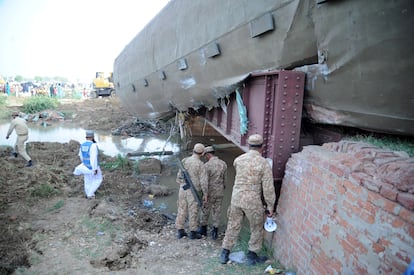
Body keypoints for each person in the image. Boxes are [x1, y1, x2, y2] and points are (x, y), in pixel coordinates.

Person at [220, 134, 276, 265]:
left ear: (249, 145)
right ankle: (252, 256)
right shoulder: (264, 163)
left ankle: (224, 253)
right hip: (252, 200)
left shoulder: (238, 160)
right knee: (256, 227)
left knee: (233, 225)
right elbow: (268, 187)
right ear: (262, 147)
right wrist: (270, 206)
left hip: (236, 198)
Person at [175, 143, 208, 240]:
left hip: (183, 188)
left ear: (193, 150)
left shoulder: (185, 160)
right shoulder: (201, 165)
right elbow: (203, 181)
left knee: (181, 209)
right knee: (193, 210)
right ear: (202, 153)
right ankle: (193, 232)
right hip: (193, 192)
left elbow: (179, 177)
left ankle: (180, 231)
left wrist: (181, 184)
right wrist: (205, 194)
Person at [198, 145, 227, 240]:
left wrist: (205, 194)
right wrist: (222, 189)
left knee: (205, 210)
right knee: (217, 211)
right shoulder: (223, 163)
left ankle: (203, 230)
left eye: (205, 155)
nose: (205, 157)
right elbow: (225, 180)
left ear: (208, 155)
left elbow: (204, 182)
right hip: (220, 192)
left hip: (210, 192)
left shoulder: (206, 166)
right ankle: (215, 232)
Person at [73, 130, 103, 199]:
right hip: (92, 166)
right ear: (92, 137)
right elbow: (94, 158)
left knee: (87, 180)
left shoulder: (82, 145)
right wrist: (95, 169)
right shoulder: (93, 145)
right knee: (98, 179)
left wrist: (85, 163)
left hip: (85, 166)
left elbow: (81, 156)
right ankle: (90, 194)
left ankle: (88, 193)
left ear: (86, 137)